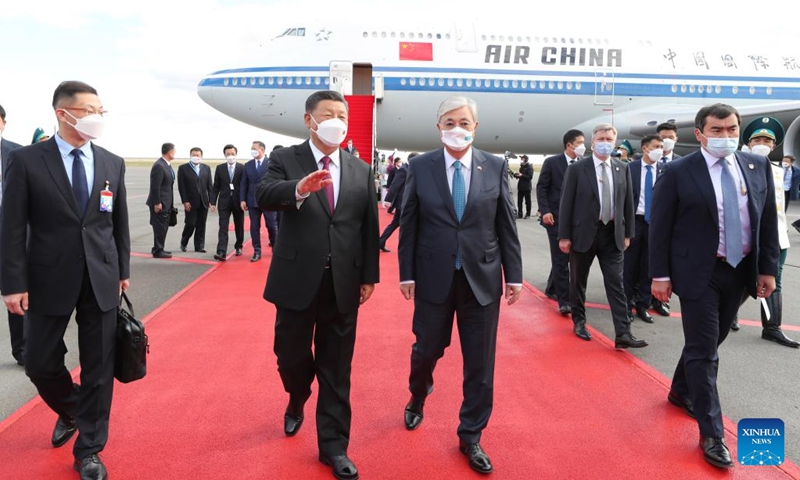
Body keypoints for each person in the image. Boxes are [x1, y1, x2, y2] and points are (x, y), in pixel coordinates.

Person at [1, 80, 130, 480]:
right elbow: (11, 226)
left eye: (100, 110)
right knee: (38, 362)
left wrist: (123, 271)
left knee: (99, 366)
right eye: (89, 109)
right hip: (46, 277)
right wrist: (11, 283)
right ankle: (73, 407)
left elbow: (118, 223)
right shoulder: (27, 161)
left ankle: (89, 450)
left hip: (101, 276)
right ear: (63, 113)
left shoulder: (112, 161)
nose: (97, 117)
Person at [255, 90, 379, 480]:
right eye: (328, 114)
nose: (337, 121)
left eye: (341, 114)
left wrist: (369, 275)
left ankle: (334, 447)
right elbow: (263, 194)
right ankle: (297, 396)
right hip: (296, 279)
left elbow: (367, 226)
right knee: (290, 356)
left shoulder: (359, 169)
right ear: (309, 120)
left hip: (343, 281)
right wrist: (298, 189)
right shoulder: (284, 158)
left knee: (337, 367)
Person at [398, 95, 522, 474]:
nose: (457, 129)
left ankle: (471, 436)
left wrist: (513, 275)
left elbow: (506, 225)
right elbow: (410, 223)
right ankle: (418, 394)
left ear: (475, 127)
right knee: (427, 350)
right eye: (450, 122)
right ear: (439, 127)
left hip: (481, 280)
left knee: (480, 365)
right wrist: (407, 272)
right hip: (434, 277)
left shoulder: (495, 166)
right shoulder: (420, 166)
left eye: (464, 122)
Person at [650, 103, 779, 468]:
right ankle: (712, 433)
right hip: (698, 273)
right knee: (706, 352)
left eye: (732, 129)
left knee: (708, 341)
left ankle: (679, 389)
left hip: (740, 272)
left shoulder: (757, 166)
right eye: (718, 131)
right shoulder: (678, 172)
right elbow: (660, 227)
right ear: (701, 134)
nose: (726, 137)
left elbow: (766, 220)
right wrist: (659, 275)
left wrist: (768, 270)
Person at [558, 123, 647, 349]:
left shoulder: (622, 167)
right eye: (601, 139)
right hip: (583, 235)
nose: (605, 143)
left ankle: (623, 333)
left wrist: (628, 234)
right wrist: (564, 236)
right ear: (592, 142)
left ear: (615, 142)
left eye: (609, 139)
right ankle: (579, 322)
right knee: (578, 281)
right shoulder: (578, 169)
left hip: (612, 235)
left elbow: (628, 203)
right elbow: (566, 204)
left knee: (616, 284)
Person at [738, 117, 798, 347]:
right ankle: (729, 314)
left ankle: (772, 327)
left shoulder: (778, 171)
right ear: (749, 143)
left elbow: (780, 206)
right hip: (749, 235)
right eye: (758, 139)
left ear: (774, 146)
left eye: (767, 140)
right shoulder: (739, 166)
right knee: (745, 280)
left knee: (775, 279)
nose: (762, 143)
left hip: (777, 236)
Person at [536, 129, 584, 316]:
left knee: (569, 258)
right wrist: (545, 210)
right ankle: (565, 301)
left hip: (577, 220)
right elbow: (542, 187)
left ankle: (551, 287)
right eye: (579, 142)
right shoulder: (552, 162)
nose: (583, 146)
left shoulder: (583, 164)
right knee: (561, 259)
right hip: (555, 218)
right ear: (569, 145)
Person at [623, 135, 664, 325]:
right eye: (656, 146)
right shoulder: (629, 169)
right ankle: (626, 304)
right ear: (645, 149)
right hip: (635, 222)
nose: (660, 149)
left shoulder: (665, 170)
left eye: (662, 146)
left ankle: (643, 304)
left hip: (655, 224)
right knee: (629, 266)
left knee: (649, 267)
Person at [0, 104, 25, 366]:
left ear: (4, 123)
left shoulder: (18, 153)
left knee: (17, 293)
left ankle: (22, 350)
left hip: (11, 236)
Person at [649, 122, 682, 317]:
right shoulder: (643, 160)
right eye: (663, 137)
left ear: (676, 139)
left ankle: (661, 301)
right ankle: (642, 296)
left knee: (670, 262)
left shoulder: (682, 162)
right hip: (647, 219)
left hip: (674, 221)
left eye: (671, 137)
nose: (667, 140)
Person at [240, 141, 277, 262]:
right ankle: (257, 251)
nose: (253, 151)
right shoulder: (248, 165)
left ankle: (275, 248)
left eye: (255, 148)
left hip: (267, 199)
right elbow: (244, 183)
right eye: (252, 148)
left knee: (271, 225)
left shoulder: (271, 163)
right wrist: (242, 199)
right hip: (252, 200)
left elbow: (276, 182)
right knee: (254, 226)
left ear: (262, 150)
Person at [211, 144, 245, 261]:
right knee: (223, 227)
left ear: (236, 154)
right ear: (224, 155)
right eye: (228, 154)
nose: (230, 156)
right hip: (224, 202)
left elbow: (245, 186)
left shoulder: (242, 168)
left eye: (232, 154)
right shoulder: (220, 168)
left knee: (239, 226)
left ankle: (239, 246)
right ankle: (221, 251)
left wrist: (244, 200)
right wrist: (213, 201)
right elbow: (216, 187)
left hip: (238, 201)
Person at [177, 147, 214, 253]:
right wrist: (185, 201)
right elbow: (181, 187)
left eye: (198, 155)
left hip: (204, 201)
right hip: (190, 202)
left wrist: (211, 200)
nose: (196, 157)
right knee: (190, 224)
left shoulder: (206, 168)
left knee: (201, 225)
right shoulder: (183, 168)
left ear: (201, 156)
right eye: (194, 155)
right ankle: (184, 242)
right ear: (190, 155)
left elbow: (209, 186)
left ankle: (199, 246)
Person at [379, 153, 415, 252]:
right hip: (402, 203)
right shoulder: (404, 170)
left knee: (395, 223)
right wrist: (388, 199)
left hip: (405, 202)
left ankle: (381, 242)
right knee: (402, 225)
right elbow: (395, 185)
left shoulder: (409, 169)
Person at [146, 143, 176, 258]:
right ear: (170, 152)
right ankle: (158, 250)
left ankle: (158, 248)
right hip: (160, 203)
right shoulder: (159, 166)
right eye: (174, 151)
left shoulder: (166, 165)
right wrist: (157, 202)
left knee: (163, 226)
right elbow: (155, 186)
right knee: (159, 227)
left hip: (166, 202)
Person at [514, 154, 533, 219]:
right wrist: (516, 175)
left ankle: (528, 214)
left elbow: (530, 177)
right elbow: (521, 176)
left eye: (522, 158)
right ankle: (520, 214)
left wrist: (522, 175)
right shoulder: (521, 167)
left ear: (525, 159)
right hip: (521, 187)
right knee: (519, 202)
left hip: (527, 187)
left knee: (527, 202)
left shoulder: (529, 167)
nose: (521, 159)